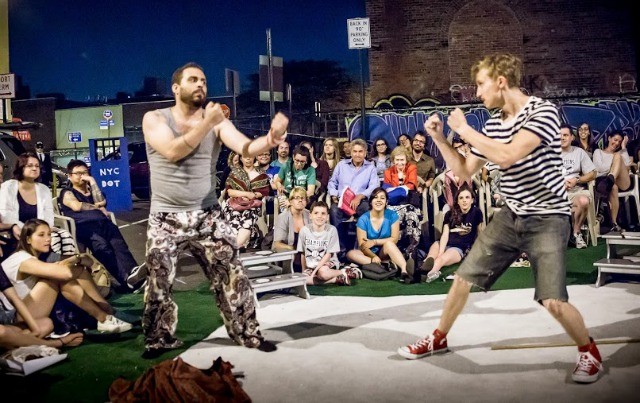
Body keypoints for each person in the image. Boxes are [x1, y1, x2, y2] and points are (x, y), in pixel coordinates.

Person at [397, 53, 603, 384]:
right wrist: (439, 139)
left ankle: (589, 351)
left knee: (551, 300)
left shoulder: (543, 112)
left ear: (501, 82)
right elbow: (463, 170)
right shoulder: (493, 124)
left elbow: (508, 154)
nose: (477, 93)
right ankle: (438, 337)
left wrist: (465, 129)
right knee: (463, 278)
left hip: (548, 217)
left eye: (480, 84)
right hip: (511, 215)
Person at [140, 62, 288, 357]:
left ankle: (248, 333)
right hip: (165, 217)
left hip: (207, 214)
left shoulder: (217, 122)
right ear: (176, 88)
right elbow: (171, 152)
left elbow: (244, 147)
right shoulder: (154, 119)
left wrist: (269, 140)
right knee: (158, 281)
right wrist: (205, 123)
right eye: (193, 80)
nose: (201, 86)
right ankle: (159, 338)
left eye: (204, 81)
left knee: (232, 273)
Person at [1, 219, 132, 334]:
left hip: (28, 309)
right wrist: (78, 259)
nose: (47, 239)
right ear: (28, 239)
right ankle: (104, 317)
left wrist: (76, 260)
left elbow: (64, 267)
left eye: (49, 234)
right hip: (13, 317)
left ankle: (107, 311)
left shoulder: (34, 257)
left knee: (70, 272)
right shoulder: (23, 260)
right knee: (58, 278)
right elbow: (65, 273)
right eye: (41, 235)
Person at [59, 159, 142, 293]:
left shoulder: (93, 190)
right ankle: (126, 280)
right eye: (78, 173)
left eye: (85, 172)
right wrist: (97, 208)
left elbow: (101, 202)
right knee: (103, 248)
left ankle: (134, 273)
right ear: (70, 176)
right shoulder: (67, 192)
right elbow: (76, 206)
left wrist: (92, 181)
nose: (82, 176)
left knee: (119, 245)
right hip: (85, 228)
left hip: (104, 224)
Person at [0, 152, 77, 258]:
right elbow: (6, 215)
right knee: (43, 240)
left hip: (41, 229)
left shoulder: (43, 189)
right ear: (21, 168)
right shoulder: (8, 187)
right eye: (30, 165)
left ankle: (66, 266)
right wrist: (31, 231)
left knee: (64, 236)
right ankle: (50, 266)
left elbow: (48, 215)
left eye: (37, 166)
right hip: (18, 230)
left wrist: (44, 229)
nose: (35, 168)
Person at [1, 257, 84, 349]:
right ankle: (53, 343)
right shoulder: (19, 258)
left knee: (46, 324)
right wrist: (60, 342)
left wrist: (35, 330)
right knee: (3, 332)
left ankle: (14, 344)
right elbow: (66, 273)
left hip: (6, 322)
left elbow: (14, 298)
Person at [346, 188, 414, 283]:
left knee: (389, 244)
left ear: (386, 202)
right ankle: (384, 265)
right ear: (370, 202)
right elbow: (362, 245)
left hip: (386, 251)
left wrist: (374, 242)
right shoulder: (363, 219)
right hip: (368, 254)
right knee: (351, 254)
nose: (378, 200)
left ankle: (404, 271)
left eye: (382, 198)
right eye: (375, 198)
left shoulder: (392, 215)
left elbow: (394, 239)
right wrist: (373, 256)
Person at [420, 184, 483, 283]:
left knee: (440, 260)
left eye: (467, 197)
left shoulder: (476, 212)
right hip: (444, 243)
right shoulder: (450, 214)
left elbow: (480, 233)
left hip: (458, 249)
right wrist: (441, 251)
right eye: (461, 198)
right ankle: (422, 268)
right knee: (431, 256)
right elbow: (445, 235)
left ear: (472, 200)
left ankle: (427, 274)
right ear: (457, 201)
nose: (464, 200)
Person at [297, 201, 360, 286]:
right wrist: (304, 271)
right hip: (311, 266)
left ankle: (343, 271)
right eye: (316, 213)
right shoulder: (304, 230)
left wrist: (315, 272)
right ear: (310, 216)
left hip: (327, 263)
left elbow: (328, 255)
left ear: (327, 217)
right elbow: (303, 253)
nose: (319, 216)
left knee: (322, 274)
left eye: (323, 213)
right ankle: (337, 279)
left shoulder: (332, 230)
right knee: (303, 280)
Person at [560, 124, 597, 248]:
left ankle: (576, 233)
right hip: (554, 193)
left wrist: (577, 179)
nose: (562, 138)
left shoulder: (578, 152)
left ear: (571, 137)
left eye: (565, 135)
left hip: (575, 190)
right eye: (559, 135)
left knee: (583, 201)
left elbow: (593, 173)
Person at [222, 154, 270, 248]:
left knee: (248, 218)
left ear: (254, 157)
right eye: (245, 156)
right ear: (241, 158)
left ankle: (235, 248)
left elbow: (263, 192)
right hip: (234, 205)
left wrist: (253, 196)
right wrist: (246, 194)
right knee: (233, 219)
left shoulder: (261, 174)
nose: (248, 158)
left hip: (253, 205)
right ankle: (237, 246)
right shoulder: (235, 173)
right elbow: (230, 191)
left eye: (250, 156)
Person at [328, 138, 379, 226]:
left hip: (361, 202)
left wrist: (360, 196)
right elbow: (332, 182)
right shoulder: (341, 165)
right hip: (341, 201)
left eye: (360, 151)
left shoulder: (370, 168)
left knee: (367, 209)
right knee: (334, 210)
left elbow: (374, 186)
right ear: (351, 152)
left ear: (365, 153)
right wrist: (334, 194)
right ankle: (340, 239)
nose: (357, 154)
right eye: (355, 151)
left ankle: (361, 239)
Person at [383, 146, 422, 253]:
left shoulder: (411, 168)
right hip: (393, 203)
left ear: (406, 160)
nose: (400, 163)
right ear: (393, 160)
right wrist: (401, 188)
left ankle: (412, 246)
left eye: (402, 160)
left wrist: (395, 189)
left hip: (408, 201)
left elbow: (411, 186)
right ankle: (394, 247)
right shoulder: (388, 172)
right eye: (397, 160)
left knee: (411, 213)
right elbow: (385, 190)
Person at [592, 131, 634, 232]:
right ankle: (614, 223)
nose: (617, 143)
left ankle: (611, 178)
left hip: (622, 182)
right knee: (613, 187)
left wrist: (624, 146)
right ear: (609, 138)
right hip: (607, 183)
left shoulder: (618, 154)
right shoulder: (598, 152)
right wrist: (614, 166)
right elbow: (598, 168)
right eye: (615, 140)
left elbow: (628, 166)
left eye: (619, 142)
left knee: (618, 156)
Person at [272, 187, 310, 273]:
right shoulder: (283, 217)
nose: (300, 200)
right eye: (296, 198)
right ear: (290, 201)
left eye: (303, 198)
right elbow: (277, 244)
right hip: (290, 253)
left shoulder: (309, 215)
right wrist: (293, 249)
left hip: (307, 253)